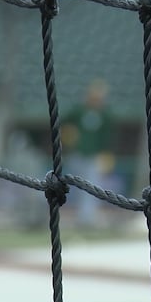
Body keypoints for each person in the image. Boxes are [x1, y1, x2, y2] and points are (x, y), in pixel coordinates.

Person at [62, 79, 115, 228]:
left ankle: (87, 218)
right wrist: (67, 137)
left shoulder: (105, 114)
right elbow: (64, 124)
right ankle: (75, 216)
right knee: (74, 187)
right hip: (77, 154)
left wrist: (106, 154)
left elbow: (107, 136)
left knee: (92, 186)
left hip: (94, 156)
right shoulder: (78, 111)